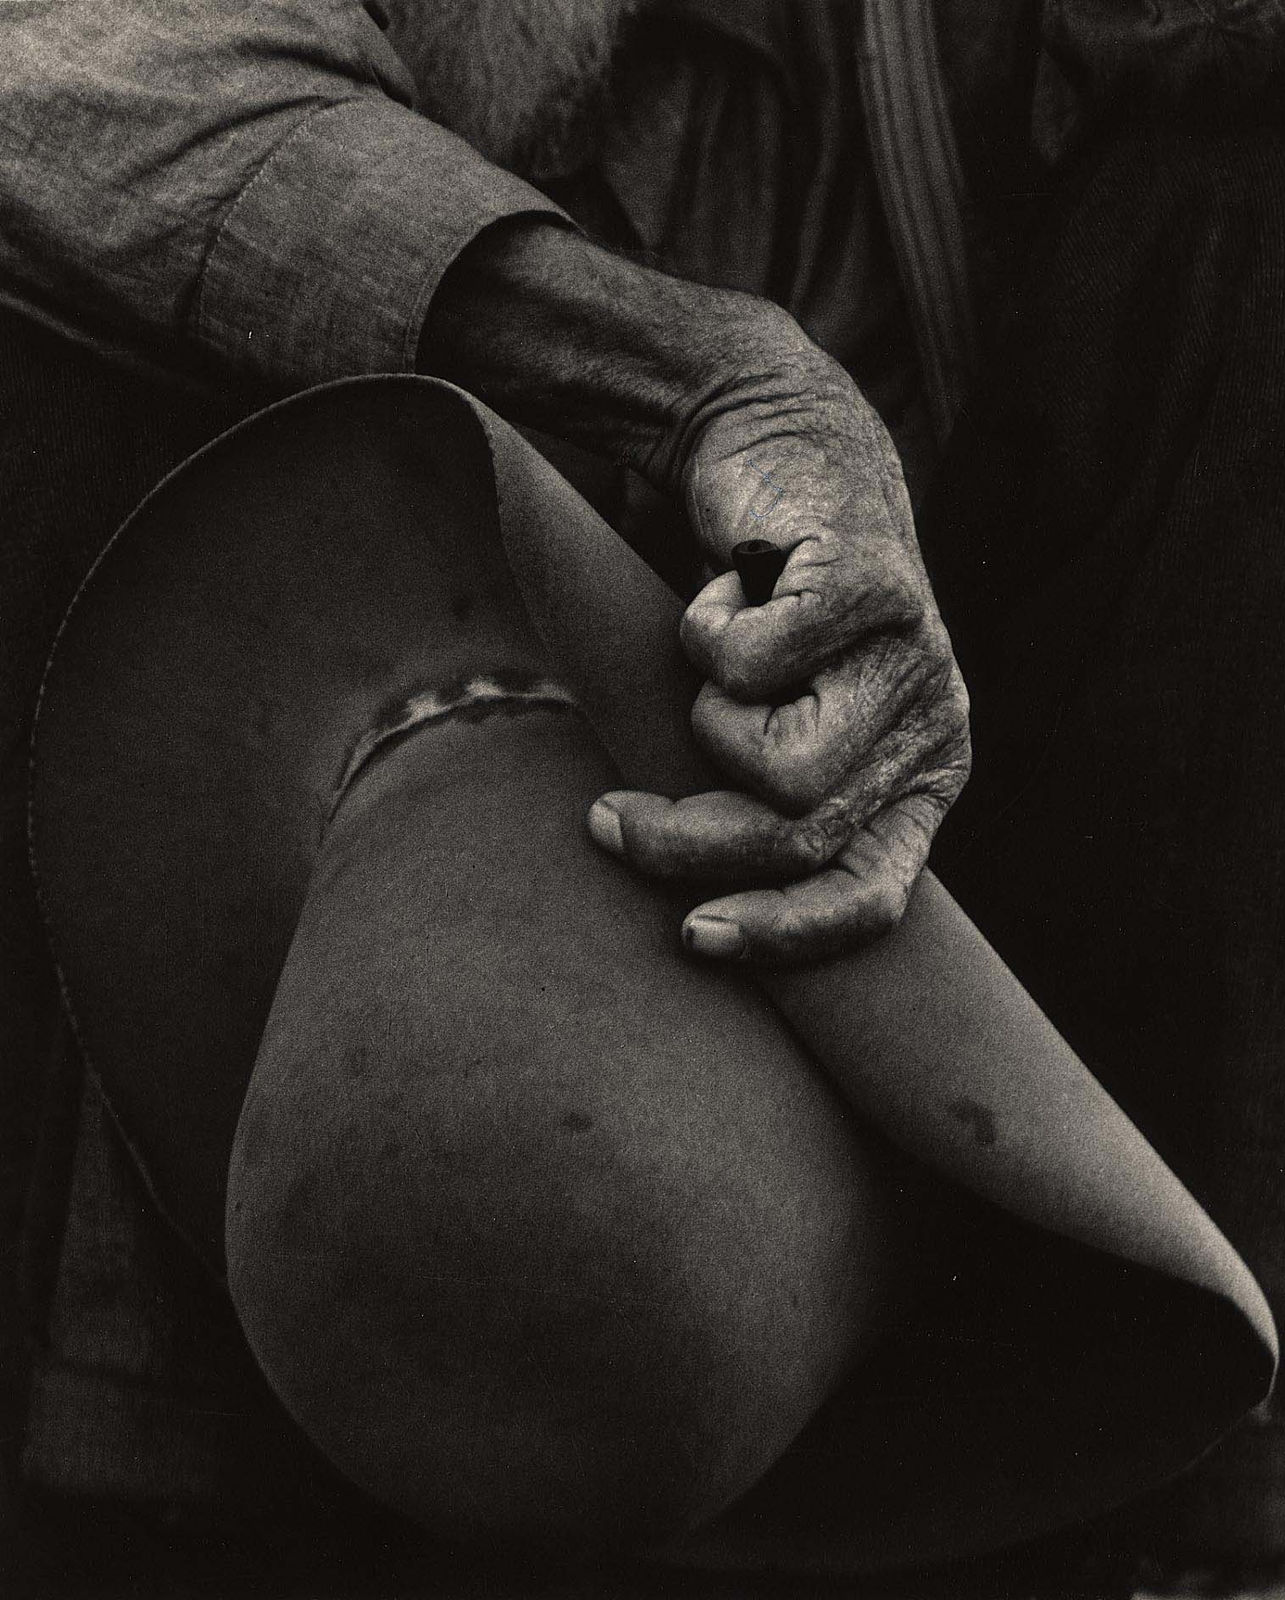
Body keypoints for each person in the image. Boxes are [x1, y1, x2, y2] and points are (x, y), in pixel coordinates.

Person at [0, 0, 1283, 1590]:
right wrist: (696, 377)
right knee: (67, 288)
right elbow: (52, 81)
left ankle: (1185, 1494)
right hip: (297, 901)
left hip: (871, 1004)